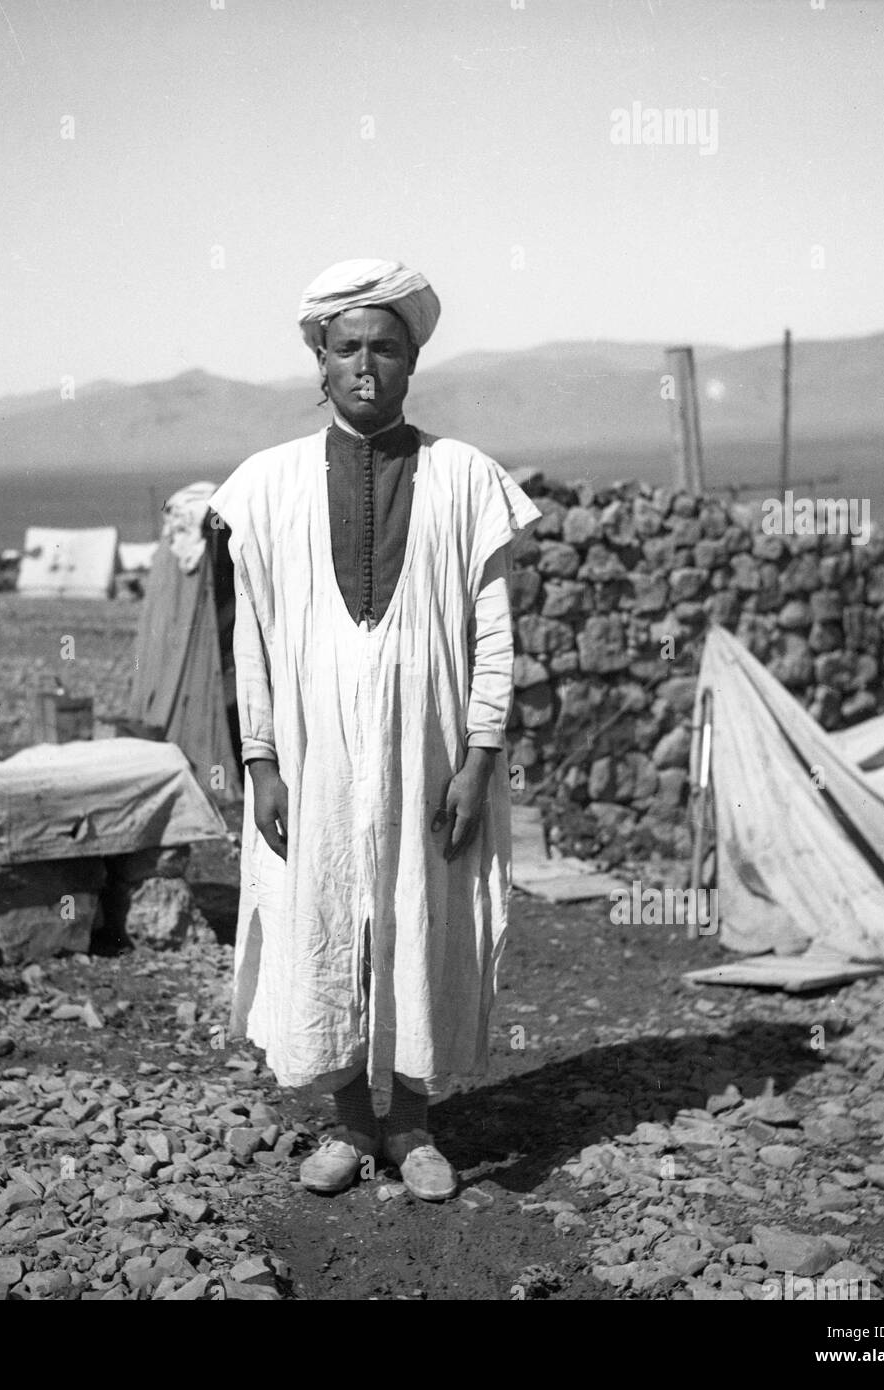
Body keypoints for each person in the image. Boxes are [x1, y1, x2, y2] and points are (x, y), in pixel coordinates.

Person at [208, 258, 540, 1201]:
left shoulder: (465, 478)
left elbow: (491, 633)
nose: (365, 365)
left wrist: (478, 758)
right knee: (326, 911)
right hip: (312, 753)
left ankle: (413, 1125)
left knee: (417, 914)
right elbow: (251, 639)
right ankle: (352, 1125)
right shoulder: (266, 486)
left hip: (428, 749)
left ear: (411, 361)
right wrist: (261, 760)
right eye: (346, 347)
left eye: (384, 347)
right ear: (318, 360)